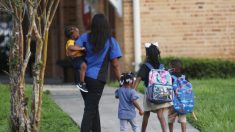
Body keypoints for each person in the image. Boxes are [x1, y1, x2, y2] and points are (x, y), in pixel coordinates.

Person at [75, 14, 122, 132]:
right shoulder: (111, 42)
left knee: (92, 107)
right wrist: (121, 82)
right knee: (90, 109)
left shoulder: (85, 37)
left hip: (82, 78)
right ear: (106, 25)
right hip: (97, 80)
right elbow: (115, 65)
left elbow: (74, 49)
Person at [133, 43, 172, 132]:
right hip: (162, 92)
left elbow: (138, 79)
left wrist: (132, 91)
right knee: (160, 115)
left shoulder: (145, 66)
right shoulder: (161, 66)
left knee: (146, 114)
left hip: (149, 93)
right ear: (158, 54)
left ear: (147, 55)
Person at [64, 26, 88, 92]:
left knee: (84, 67)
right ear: (72, 35)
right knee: (83, 66)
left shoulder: (76, 41)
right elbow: (71, 47)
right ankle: (81, 83)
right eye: (77, 33)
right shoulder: (70, 41)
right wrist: (81, 49)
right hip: (76, 59)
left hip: (80, 58)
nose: (79, 34)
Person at [168, 59, 187, 132]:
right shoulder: (184, 77)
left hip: (173, 101)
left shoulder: (170, 76)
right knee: (183, 118)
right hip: (183, 101)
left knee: (170, 118)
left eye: (170, 67)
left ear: (173, 68)